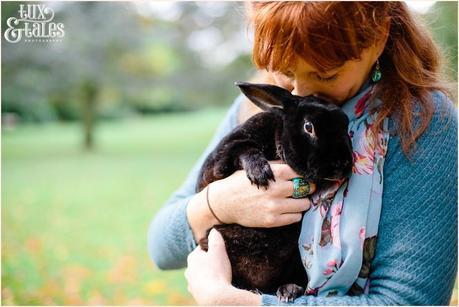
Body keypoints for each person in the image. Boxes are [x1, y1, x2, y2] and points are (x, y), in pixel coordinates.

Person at [148, 2, 457, 305]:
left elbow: (409, 300)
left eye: (325, 74)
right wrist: (216, 205)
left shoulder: (422, 123)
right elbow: (160, 246)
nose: (301, 92)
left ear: (377, 38)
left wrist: (230, 302)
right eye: (285, 70)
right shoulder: (260, 104)